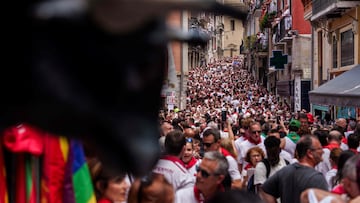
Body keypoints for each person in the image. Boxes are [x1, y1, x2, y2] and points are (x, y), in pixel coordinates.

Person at [259, 135, 328, 203]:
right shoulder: (316, 178)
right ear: (309, 153)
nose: (323, 152)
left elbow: (265, 191)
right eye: (319, 149)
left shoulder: (285, 171)